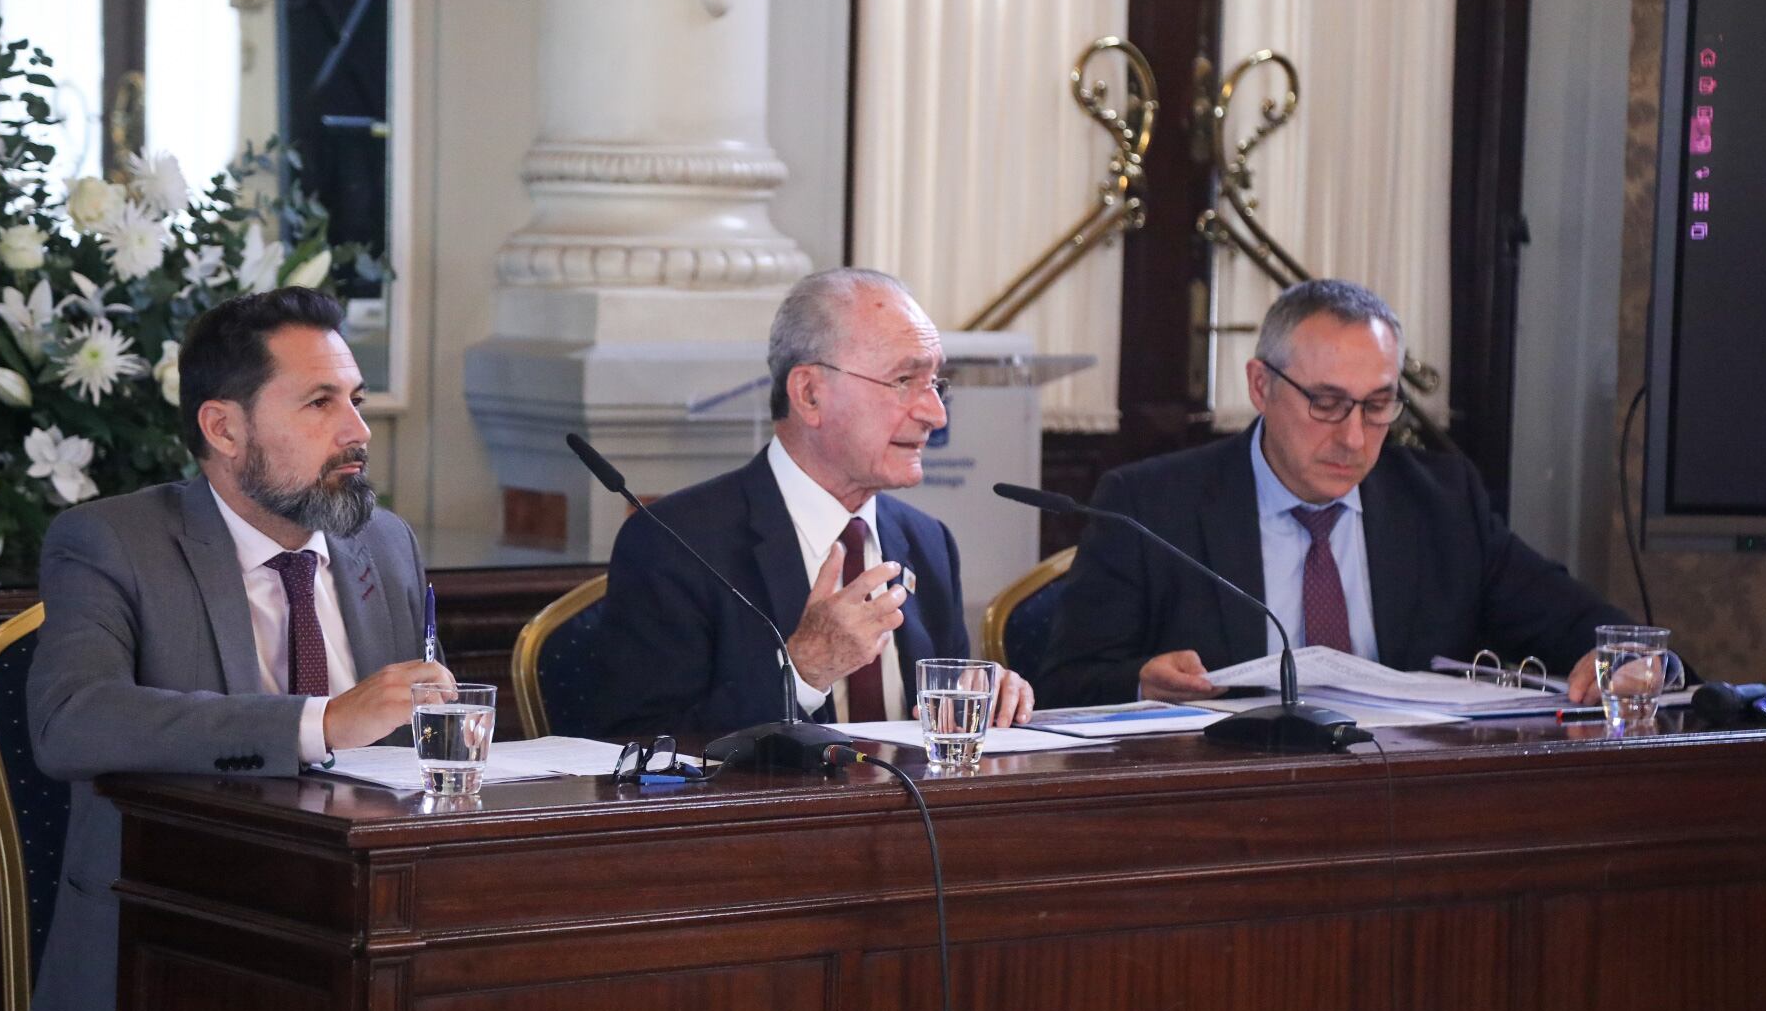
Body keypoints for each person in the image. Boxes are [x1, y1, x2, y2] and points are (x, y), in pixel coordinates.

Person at [23, 287, 448, 1011]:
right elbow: (72, 720)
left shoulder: (383, 543)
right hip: (179, 949)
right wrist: (321, 722)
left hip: (367, 939)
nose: (357, 431)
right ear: (223, 427)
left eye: (354, 399)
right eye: (320, 402)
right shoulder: (113, 543)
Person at [1028, 279, 1629, 709]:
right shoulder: (1149, 506)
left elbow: (1586, 625)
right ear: (1261, 385)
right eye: (1327, 402)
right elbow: (1063, 683)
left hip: (1406, 807)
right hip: (1223, 813)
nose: (1353, 437)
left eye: (1377, 406)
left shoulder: (1441, 503)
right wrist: (1140, 683)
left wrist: (1629, 662)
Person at [574, 268, 1034, 738]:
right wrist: (801, 674)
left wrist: (984, 699)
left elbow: (937, 732)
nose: (935, 414)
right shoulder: (676, 543)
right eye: (902, 381)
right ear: (810, 394)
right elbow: (638, 751)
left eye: (936, 383)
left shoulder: (927, 541)